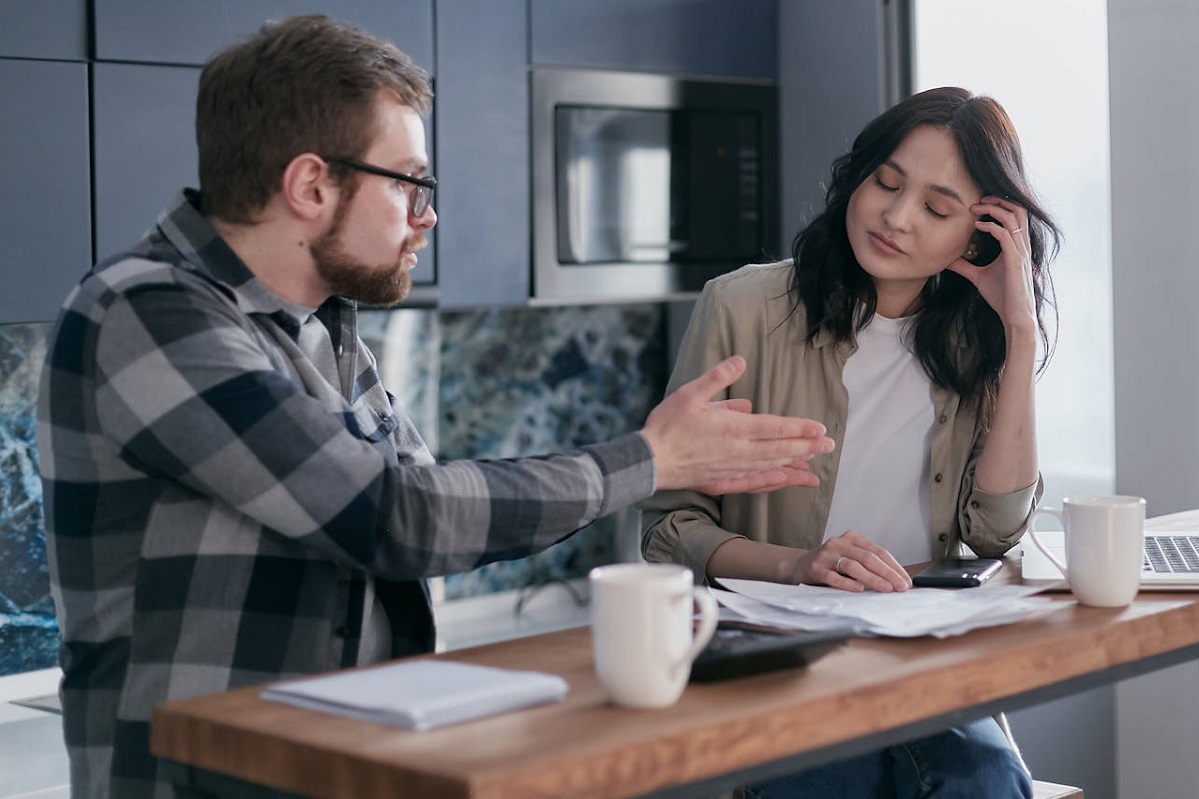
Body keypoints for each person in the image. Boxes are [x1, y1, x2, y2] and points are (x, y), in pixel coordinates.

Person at [35, 15, 837, 799]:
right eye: (411, 182)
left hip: (341, 760)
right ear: (311, 184)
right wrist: (650, 460)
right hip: (199, 777)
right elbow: (390, 515)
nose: (429, 215)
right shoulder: (145, 312)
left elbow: (431, 516)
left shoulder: (325, 326)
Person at [642, 86, 1062, 798]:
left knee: (986, 780)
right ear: (856, 178)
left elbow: (990, 533)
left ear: (978, 236)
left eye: (934, 208)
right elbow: (668, 528)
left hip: (925, 662)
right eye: (885, 183)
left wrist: (1018, 337)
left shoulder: (976, 339)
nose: (895, 218)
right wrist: (802, 563)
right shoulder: (742, 307)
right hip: (788, 662)